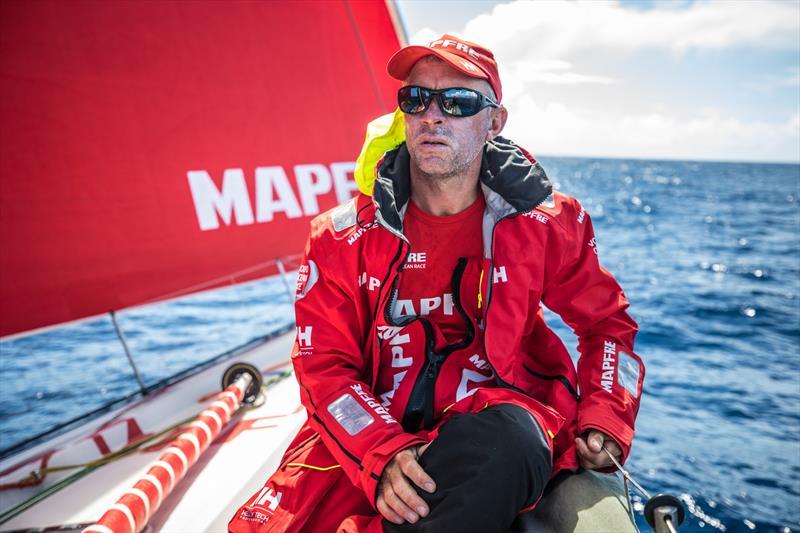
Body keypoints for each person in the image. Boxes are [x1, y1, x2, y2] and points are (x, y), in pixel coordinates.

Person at [229, 34, 644, 533]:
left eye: (458, 102)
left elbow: (606, 325)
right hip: (380, 438)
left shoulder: (549, 223)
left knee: (508, 441)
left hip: (504, 432)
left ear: (494, 122)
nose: (432, 115)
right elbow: (324, 367)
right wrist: (383, 453)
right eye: (416, 98)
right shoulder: (340, 239)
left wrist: (606, 416)